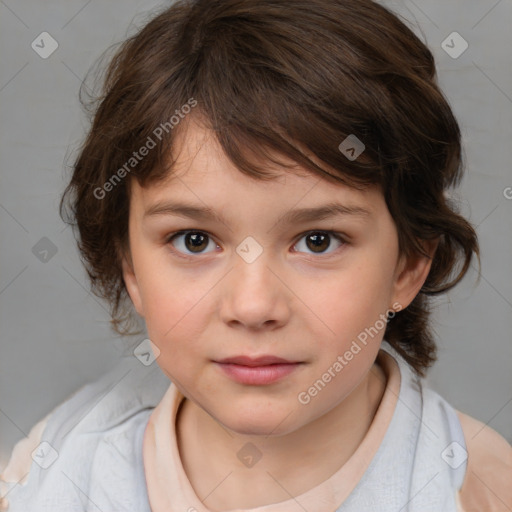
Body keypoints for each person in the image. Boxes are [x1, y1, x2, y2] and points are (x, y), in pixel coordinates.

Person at [1, 0, 511, 510]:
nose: (252, 306)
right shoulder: (53, 473)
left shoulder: (478, 488)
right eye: (194, 240)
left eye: (318, 240)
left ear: (408, 264)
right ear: (130, 266)